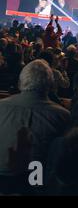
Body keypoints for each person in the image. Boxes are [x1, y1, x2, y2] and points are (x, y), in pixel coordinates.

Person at [0, 60, 70, 193]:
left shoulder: (1, 106)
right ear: (50, 85)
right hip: (37, 185)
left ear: (20, 83)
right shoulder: (63, 116)